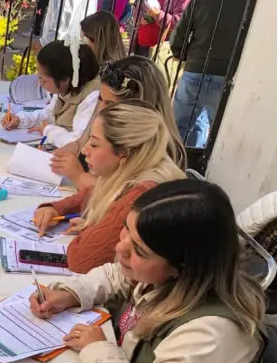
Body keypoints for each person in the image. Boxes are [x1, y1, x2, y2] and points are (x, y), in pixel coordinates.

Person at [29, 179, 266, 363]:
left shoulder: (210, 331)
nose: (120, 248)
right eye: (126, 230)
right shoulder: (165, 276)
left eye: (139, 250)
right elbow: (116, 275)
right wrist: (71, 293)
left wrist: (97, 349)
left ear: (182, 266)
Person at [34, 101, 184, 273]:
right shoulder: (137, 168)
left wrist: (93, 227)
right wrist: (56, 208)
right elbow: (96, 192)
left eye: (95, 144)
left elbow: (81, 259)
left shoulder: (142, 193)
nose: (84, 150)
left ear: (124, 153)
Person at [51, 56, 187, 191]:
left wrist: (78, 176)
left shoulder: (157, 152)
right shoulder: (104, 124)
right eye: (100, 100)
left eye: (110, 104)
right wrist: (75, 148)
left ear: (137, 108)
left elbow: (121, 196)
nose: (100, 109)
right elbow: (82, 147)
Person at [170, 0, 245, 148]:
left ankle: (173, 161)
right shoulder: (248, 6)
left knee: (178, 128)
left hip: (195, 70)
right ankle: (195, 165)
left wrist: (182, 54)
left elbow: (180, 33)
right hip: (225, 74)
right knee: (220, 132)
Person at [1, 41, 100, 148]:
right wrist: (20, 120)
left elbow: (77, 143)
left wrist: (48, 131)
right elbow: (49, 114)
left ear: (65, 80)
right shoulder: (66, 87)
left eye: (44, 81)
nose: (40, 84)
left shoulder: (92, 97)